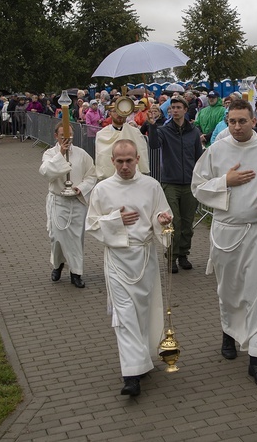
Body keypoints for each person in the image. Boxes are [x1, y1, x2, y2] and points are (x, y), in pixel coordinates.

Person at [191, 100, 257, 387]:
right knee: (230, 290)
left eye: (242, 121)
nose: (237, 126)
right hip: (227, 230)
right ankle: (229, 332)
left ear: (253, 121)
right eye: (232, 121)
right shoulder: (217, 150)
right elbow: (197, 187)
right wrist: (225, 181)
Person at [85, 139, 173, 396]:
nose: (124, 166)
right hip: (117, 260)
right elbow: (92, 224)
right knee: (124, 316)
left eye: (129, 160)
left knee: (143, 313)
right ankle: (131, 375)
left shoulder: (151, 185)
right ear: (112, 161)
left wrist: (163, 220)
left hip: (145, 256)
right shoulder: (103, 189)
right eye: (119, 161)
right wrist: (116, 220)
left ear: (137, 159)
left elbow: (162, 215)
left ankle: (142, 360)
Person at [148, 96, 203, 274]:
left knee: (187, 223)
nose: (175, 110)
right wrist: (152, 125)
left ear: (185, 110)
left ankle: (183, 254)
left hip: (189, 183)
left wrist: (199, 179)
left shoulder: (194, 132)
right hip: (170, 182)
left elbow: (199, 158)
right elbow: (154, 145)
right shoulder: (164, 130)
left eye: (179, 107)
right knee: (174, 222)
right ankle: (171, 255)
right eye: (173, 108)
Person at [39, 122, 97, 288]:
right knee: (56, 238)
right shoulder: (50, 154)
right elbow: (47, 172)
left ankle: (76, 272)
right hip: (58, 200)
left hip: (77, 201)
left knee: (76, 239)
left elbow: (92, 175)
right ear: (56, 136)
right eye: (63, 136)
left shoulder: (82, 154)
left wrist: (81, 188)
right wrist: (61, 154)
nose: (67, 139)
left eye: (70, 135)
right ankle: (58, 265)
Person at [95, 103, 150, 180]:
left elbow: (141, 153)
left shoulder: (135, 133)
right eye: (115, 111)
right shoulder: (102, 134)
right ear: (110, 113)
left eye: (122, 111)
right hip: (110, 181)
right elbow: (102, 159)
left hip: (133, 179)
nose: (119, 114)